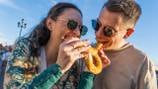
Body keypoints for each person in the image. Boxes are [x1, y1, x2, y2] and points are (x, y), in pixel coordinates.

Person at [3, 2, 105, 89]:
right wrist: (59, 68)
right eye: (72, 24)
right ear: (50, 24)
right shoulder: (25, 47)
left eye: (82, 29)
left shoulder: (76, 63)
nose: (77, 32)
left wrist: (88, 73)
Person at [92, 0, 157, 89]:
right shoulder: (87, 52)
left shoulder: (141, 61)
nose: (98, 34)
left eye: (108, 31)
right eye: (97, 24)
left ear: (128, 33)